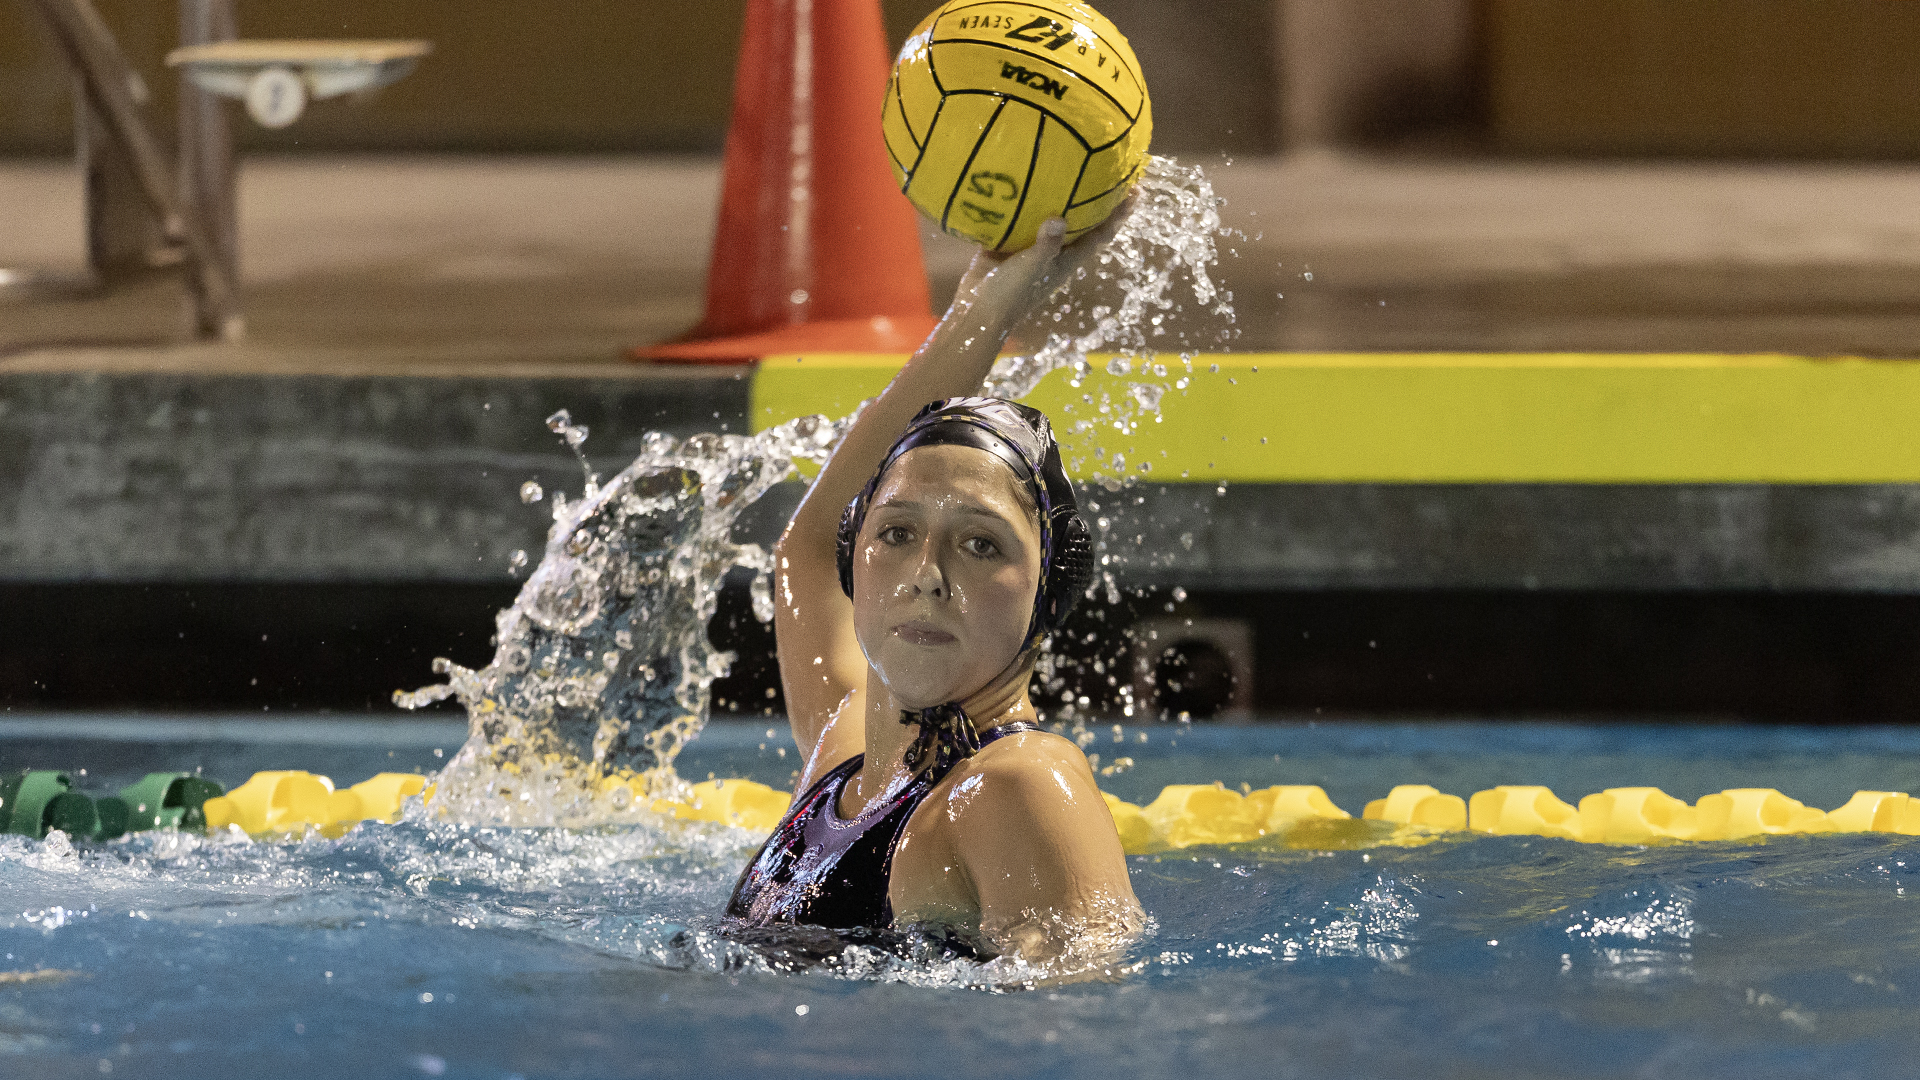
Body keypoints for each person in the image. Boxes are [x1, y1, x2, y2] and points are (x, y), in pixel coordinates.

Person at [726, 206, 1144, 963]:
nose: (927, 577)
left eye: (980, 545)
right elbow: (810, 547)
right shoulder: (848, 751)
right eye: (896, 533)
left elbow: (1077, 1033)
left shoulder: (1019, 786)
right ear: (858, 557)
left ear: (1051, 588)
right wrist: (980, 313)